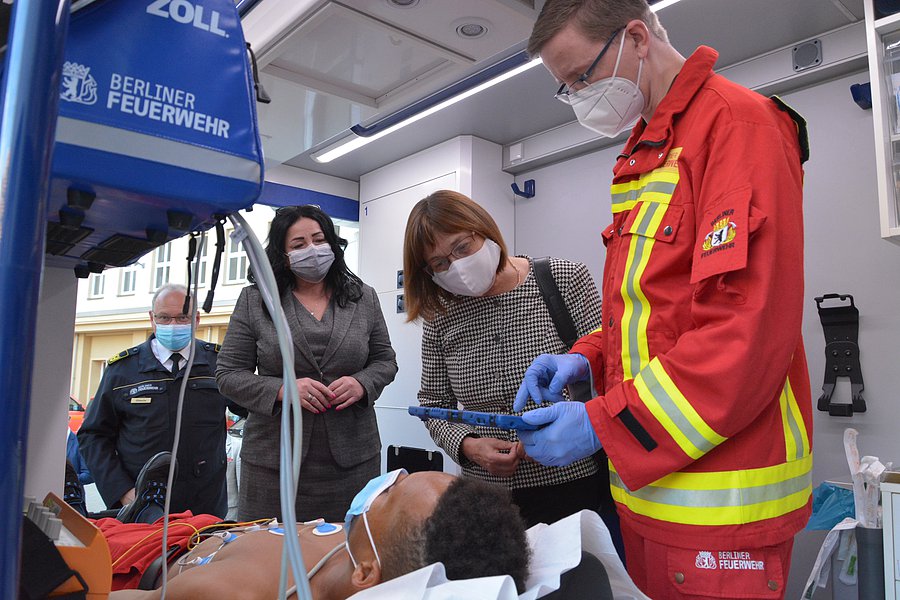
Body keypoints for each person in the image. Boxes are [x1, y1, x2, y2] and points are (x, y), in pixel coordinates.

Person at [513, 1, 812, 598]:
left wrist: (601, 423)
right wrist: (588, 356)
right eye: (564, 88)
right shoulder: (645, 149)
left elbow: (743, 337)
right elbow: (650, 310)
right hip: (648, 490)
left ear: (636, 38)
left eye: (580, 77)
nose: (576, 97)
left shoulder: (737, 125)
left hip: (722, 502)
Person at [402, 190, 617, 538]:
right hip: (487, 496)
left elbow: (611, 370)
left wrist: (572, 426)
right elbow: (433, 405)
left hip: (573, 481)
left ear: (483, 230)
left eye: (462, 247)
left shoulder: (562, 278)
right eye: (439, 263)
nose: (455, 266)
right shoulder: (439, 314)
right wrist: (469, 446)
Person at [216, 205, 398, 522]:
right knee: (267, 557)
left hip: (353, 461)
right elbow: (228, 375)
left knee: (348, 555)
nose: (312, 250)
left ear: (332, 243)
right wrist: (280, 390)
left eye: (318, 239)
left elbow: (385, 361)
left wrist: (362, 383)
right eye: (299, 245)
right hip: (274, 465)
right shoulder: (256, 300)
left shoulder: (363, 297)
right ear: (283, 256)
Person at [106, 471, 530, 600]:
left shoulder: (235, 593)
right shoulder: (362, 550)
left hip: (136, 559)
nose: (386, 480)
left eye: (391, 493)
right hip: (201, 525)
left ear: (367, 573)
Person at [79, 284, 233, 518]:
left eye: (183, 317)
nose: (173, 325)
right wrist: (122, 491)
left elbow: (252, 409)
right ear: (152, 319)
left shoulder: (219, 364)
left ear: (197, 319)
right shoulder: (123, 370)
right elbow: (93, 436)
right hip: (142, 506)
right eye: (164, 318)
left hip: (204, 505)